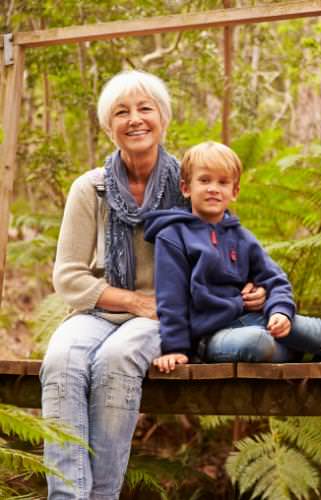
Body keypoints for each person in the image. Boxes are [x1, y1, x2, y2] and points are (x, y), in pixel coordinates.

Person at [39, 70, 267, 499]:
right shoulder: (91, 188)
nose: (135, 119)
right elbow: (68, 276)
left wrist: (251, 286)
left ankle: (102, 494)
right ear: (110, 127)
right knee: (61, 361)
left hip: (170, 311)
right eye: (122, 112)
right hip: (99, 309)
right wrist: (134, 302)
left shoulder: (188, 182)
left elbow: (226, 252)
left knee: (116, 359)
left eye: (145, 109)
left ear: (163, 118)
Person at [143, 141, 321, 371]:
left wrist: (280, 312)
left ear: (234, 192)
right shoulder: (173, 236)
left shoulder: (242, 238)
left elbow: (275, 279)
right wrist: (176, 348)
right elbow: (171, 299)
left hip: (256, 319)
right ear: (186, 188)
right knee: (257, 343)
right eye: (204, 180)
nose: (213, 188)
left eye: (223, 182)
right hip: (211, 336)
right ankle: (303, 352)